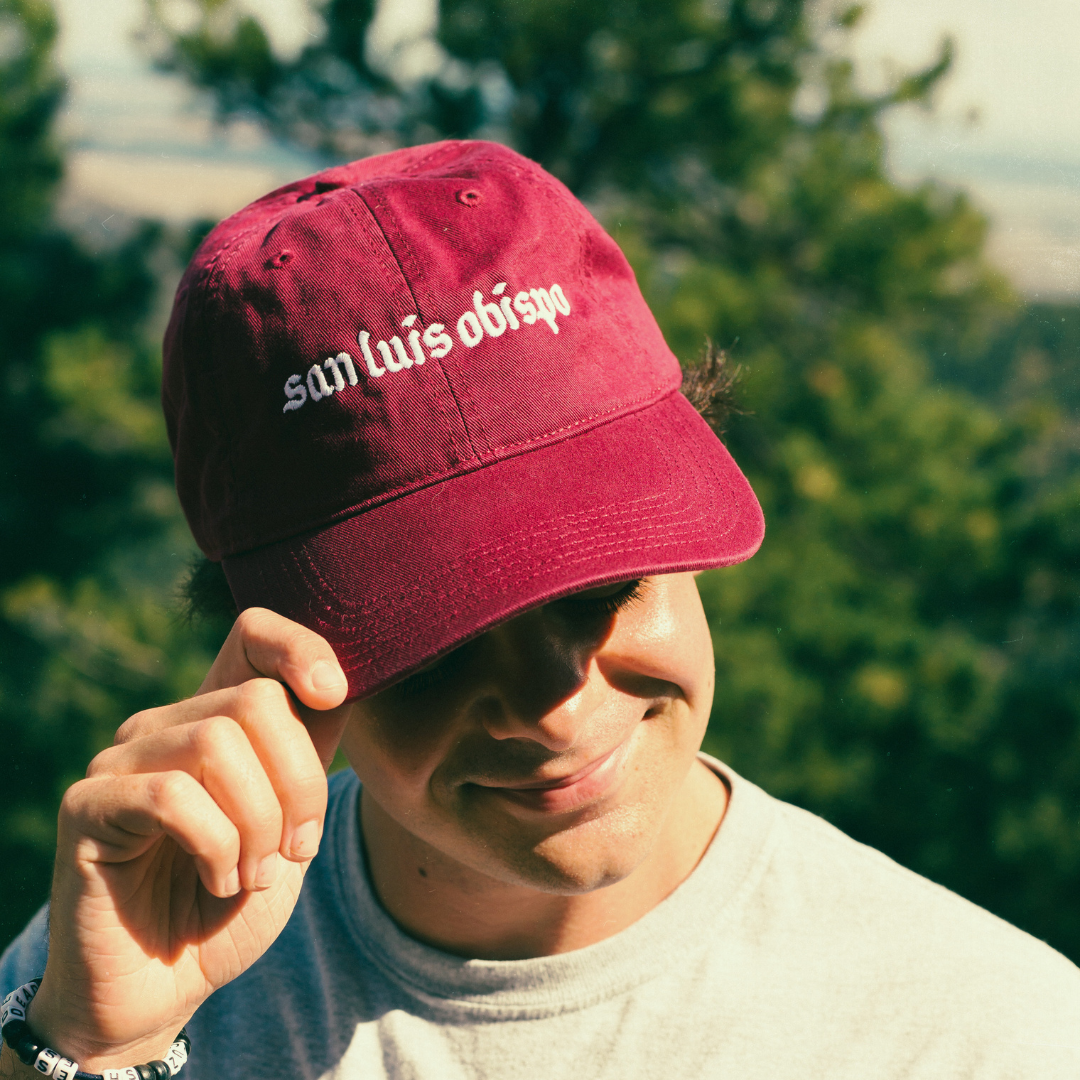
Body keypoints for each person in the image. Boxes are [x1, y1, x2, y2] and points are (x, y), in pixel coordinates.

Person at [2, 140, 1078, 1080]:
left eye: (601, 585)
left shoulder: (988, 1038)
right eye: (431, 640)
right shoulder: (131, 954)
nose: (550, 706)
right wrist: (93, 1049)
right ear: (263, 652)